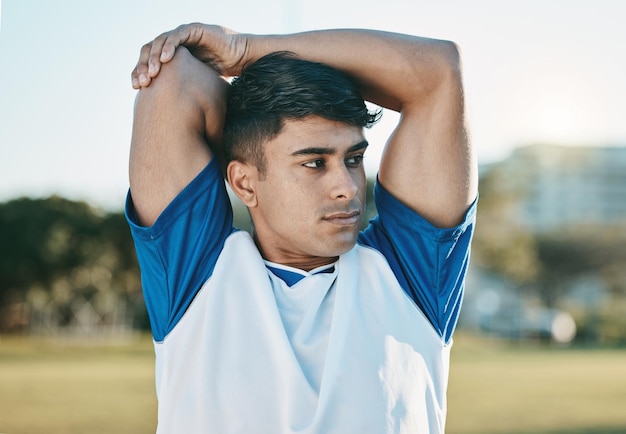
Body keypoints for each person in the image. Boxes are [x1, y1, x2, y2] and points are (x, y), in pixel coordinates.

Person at [126, 23, 477, 434]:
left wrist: (245, 50)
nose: (348, 189)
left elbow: (438, 71)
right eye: (314, 163)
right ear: (243, 183)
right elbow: (175, 80)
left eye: (353, 159)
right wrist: (252, 128)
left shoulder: (411, 271)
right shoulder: (194, 275)